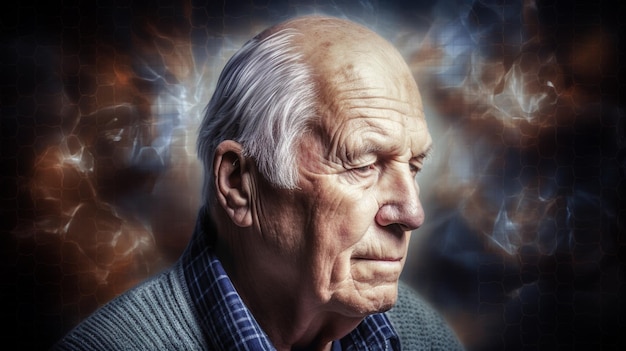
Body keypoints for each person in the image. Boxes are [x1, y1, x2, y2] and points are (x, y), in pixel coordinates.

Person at [52, 15, 464, 351]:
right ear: (237, 183)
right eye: (362, 164)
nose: (412, 213)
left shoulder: (423, 335)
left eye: (413, 166)